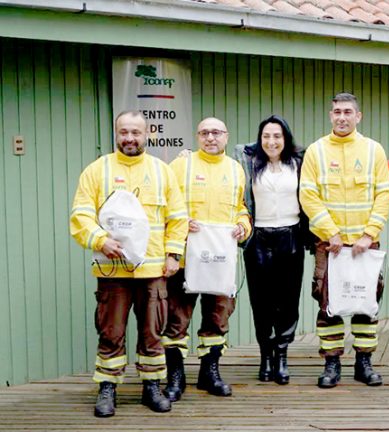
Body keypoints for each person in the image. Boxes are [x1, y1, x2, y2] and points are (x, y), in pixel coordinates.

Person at [70, 111, 188, 417]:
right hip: (113, 270)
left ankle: (152, 386)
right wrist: (99, 240)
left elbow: (177, 217)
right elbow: (80, 215)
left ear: (147, 134)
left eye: (136, 132)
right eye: (124, 132)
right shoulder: (97, 170)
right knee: (111, 330)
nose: (129, 138)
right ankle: (108, 387)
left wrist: (174, 255)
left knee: (153, 332)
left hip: (153, 271)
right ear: (116, 133)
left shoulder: (162, 172)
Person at [299, 92, 389, 389]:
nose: (342, 117)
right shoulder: (316, 151)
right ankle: (332, 363)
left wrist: (368, 235)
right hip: (331, 246)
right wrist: (331, 233)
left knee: (367, 302)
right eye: (337, 112)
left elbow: (383, 194)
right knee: (329, 304)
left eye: (348, 112)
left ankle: (364, 363)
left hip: (366, 245)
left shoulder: (373, 150)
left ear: (358, 116)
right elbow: (308, 195)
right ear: (330, 116)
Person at [161, 117, 251, 401]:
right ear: (197, 136)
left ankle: (209, 372)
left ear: (226, 136)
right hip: (185, 260)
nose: (210, 137)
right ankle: (176, 375)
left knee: (217, 319)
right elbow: (165, 206)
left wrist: (242, 227)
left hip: (219, 262)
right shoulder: (181, 165)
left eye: (216, 132)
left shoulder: (236, 170)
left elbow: (241, 209)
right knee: (176, 319)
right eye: (204, 133)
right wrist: (180, 221)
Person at [235, 115, 309, 385]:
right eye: (266, 136)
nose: (272, 141)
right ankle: (265, 356)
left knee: (288, 300)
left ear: (286, 138)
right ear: (259, 138)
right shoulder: (248, 161)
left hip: (290, 236)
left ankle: (282, 355)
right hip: (259, 237)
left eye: (277, 136)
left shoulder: (298, 162)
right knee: (261, 301)